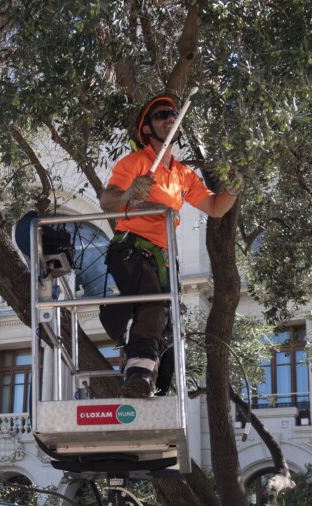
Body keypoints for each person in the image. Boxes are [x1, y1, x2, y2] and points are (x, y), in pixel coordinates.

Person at [98, 94, 241, 398]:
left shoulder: (182, 175)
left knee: (168, 320)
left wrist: (231, 190)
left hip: (162, 259)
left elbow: (215, 207)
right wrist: (128, 196)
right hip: (131, 249)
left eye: (173, 114)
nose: (170, 118)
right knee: (151, 302)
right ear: (146, 129)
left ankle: (157, 387)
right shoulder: (135, 163)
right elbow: (107, 200)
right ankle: (137, 370)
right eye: (162, 115)